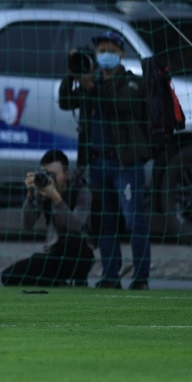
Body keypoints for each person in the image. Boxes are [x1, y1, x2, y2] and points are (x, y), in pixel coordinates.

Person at [59, 29, 152, 289]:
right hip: (98, 164)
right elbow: (65, 101)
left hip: (126, 164)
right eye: (101, 51)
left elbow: (122, 103)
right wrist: (73, 72)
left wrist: (91, 86)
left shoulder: (132, 83)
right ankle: (111, 275)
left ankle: (140, 277)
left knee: (134, 221)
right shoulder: (91, 81)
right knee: (105, 223)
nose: (106, 55)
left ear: (121, 53)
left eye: (111, 50)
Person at [1, 150, 95, 287]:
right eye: (45, 174)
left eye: (53, 175)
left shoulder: (81, 193)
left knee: (72, 240)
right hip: (54, 256)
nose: (49, 179)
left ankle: (79, 283)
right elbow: (27, 225)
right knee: (9, 276)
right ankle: (57, 283)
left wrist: (56, 198)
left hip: (80, 255)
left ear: (66, 174)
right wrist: (31, 195)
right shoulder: (44, 193)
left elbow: (77, 226)